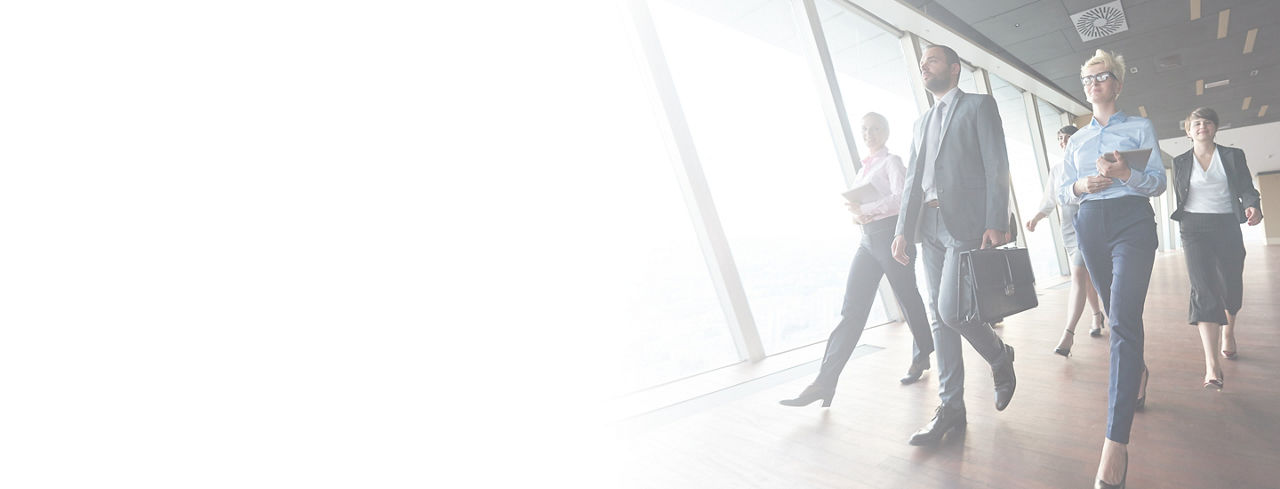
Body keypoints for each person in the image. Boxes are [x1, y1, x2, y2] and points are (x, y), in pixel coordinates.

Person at [890, 44, 1017, 446]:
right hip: (927, 225)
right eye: (922, 62)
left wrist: (996, 220)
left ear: (955, 68)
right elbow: (913, 182)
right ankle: (951, 408)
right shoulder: (920, 122)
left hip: (965, 222)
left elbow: (997, 163)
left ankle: (999, 355)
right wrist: (902, 229)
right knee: (937, 316)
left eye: (932, 60)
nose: (924, 66)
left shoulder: (979, 106)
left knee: (950, 311)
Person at [1057, 49, 1165, 489]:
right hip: (1090, 225)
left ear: (1117, 84)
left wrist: (1125, 175)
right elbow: (1065, 191)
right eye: (1087, 79)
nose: (1094, 83)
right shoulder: (1078, 140)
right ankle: (1137, 371)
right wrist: (1082, 184)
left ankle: (1115, 443)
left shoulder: (1140, 127)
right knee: (1120, 317)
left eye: (1102, 77)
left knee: (1120, 319)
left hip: (1132, 221)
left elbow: (1157, 183)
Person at [780, 112, 935, 408]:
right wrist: (857, 213)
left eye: (875, 128)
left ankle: (922, 354)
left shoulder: (892, 162)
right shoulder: (862, 171)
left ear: (886, 132)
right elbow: (861, 207)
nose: (869, 133)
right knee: (852, 310)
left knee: (908, 299)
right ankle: (824, 382)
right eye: (865, 129)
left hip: (892, 237)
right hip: (867, 240)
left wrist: (870, 208)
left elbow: (904, 197)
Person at [1170, 106, 1263, 390]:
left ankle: (1229, 331)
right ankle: (1212, 365)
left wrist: (1252, 205)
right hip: (1193, 228)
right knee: (1203, 289)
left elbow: (1247, 187)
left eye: (1207, 122)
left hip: (1226, 225)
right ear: (1188, 130)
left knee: (1231, 284)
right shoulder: (1180, 161)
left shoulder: (1233, 156)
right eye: (1196, 123)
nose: (1201, 127)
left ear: (1215, 128)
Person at [1025, 125, 1106, 356]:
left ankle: (1068, 334)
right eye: (1060, 138)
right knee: (1084, 275)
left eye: (1068, 137)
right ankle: (1096, 316)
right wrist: (1037, 218)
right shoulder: (1058, 168)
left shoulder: (1090, 161)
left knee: (1080, 274)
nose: (1064, 141)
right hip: (1069, 226)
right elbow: (1050, 199)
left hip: (1090, 222)